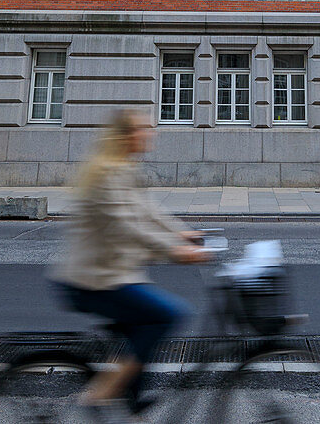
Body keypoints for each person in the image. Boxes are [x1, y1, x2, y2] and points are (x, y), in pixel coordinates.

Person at [54, 108, 210, 411]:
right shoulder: (105, 173)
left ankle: (131, 411)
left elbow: (150, 212)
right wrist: (175, 251)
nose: (150, 134)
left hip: (114, 274)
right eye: (143, 129)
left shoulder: (123, 168)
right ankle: (97, 395)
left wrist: (184, 234)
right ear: (125, 137)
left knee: (139, 341)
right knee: (168, 315)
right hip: (94, 280)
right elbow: (127, 227)